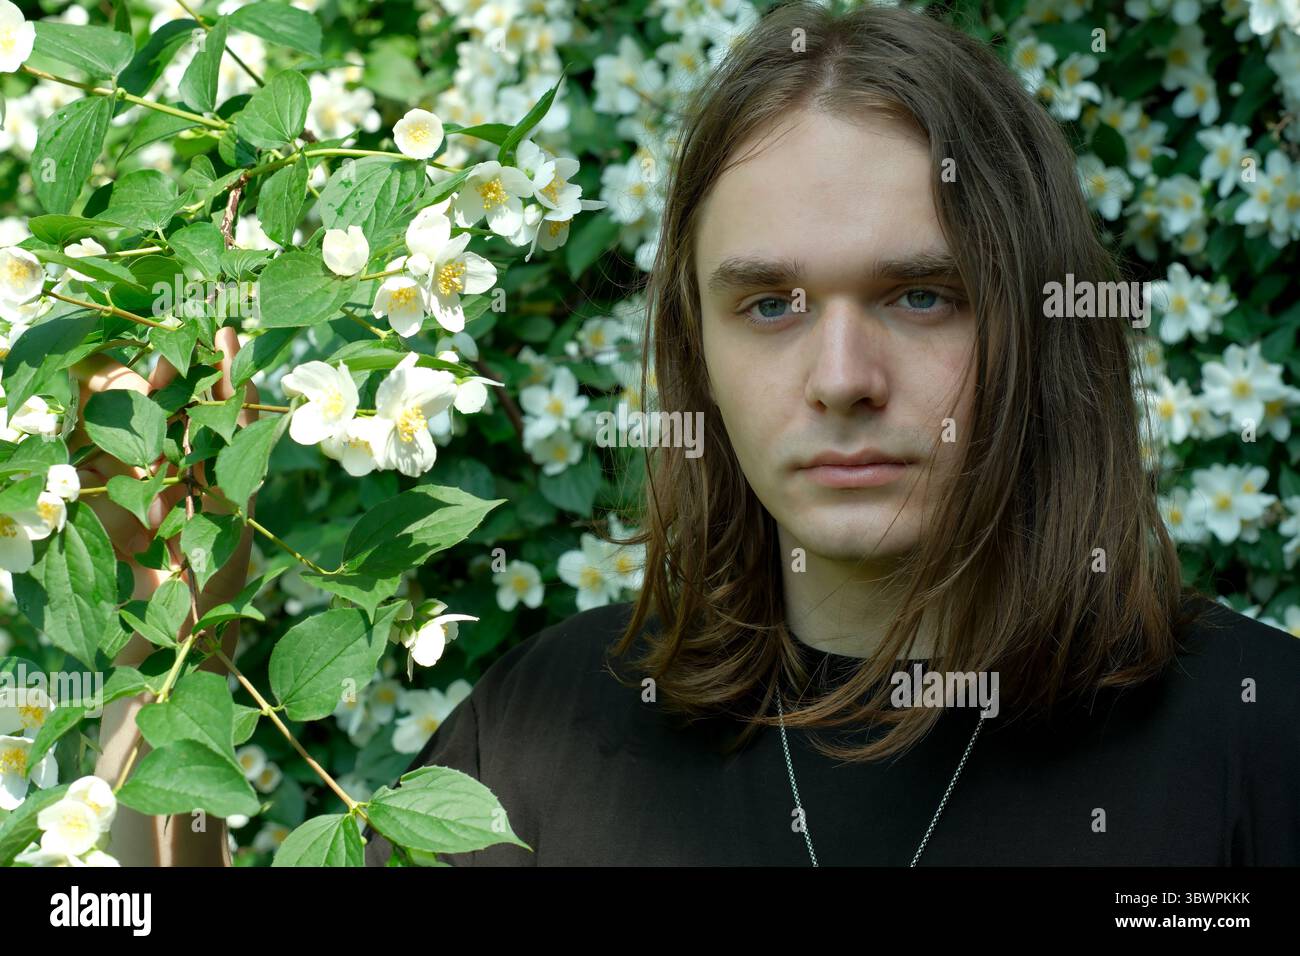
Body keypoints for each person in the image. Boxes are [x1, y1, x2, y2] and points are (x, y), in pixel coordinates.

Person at [91, 0, 1300, 866]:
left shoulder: (1258, 735)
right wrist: (173, 636)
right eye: (768, 304)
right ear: (697, 349)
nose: (840, 378)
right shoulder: (551, 730)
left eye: (920, 293)